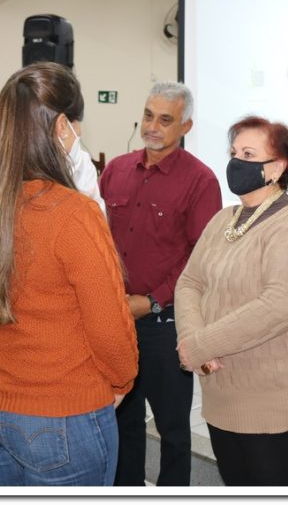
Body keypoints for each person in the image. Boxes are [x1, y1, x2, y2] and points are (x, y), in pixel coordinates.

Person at [0, 62, 138, 486]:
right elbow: (108, 326)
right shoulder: (72, 213)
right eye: (77, 125)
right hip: (64, 414)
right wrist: (122, 380)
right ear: (62, 126)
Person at [175, 116, 288, 486]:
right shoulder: (223, 219)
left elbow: (282, 303)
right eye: (233, 153)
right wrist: (193, 342)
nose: (236, 162)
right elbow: (190, 283)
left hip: (273, 400)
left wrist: (201, 345)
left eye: (248, 154)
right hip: (222, 392)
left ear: (276, 168)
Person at [99, 81, 222, 486]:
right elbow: (98, 238)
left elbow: (200, 257)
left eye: (165, 120)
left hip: (164, 324)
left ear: (185, 127)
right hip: (115, 319)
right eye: (149, 115)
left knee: (172, 428)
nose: (152, 126)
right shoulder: (116, 170)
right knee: (122, 418)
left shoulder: (200, 181)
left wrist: (152, 301)